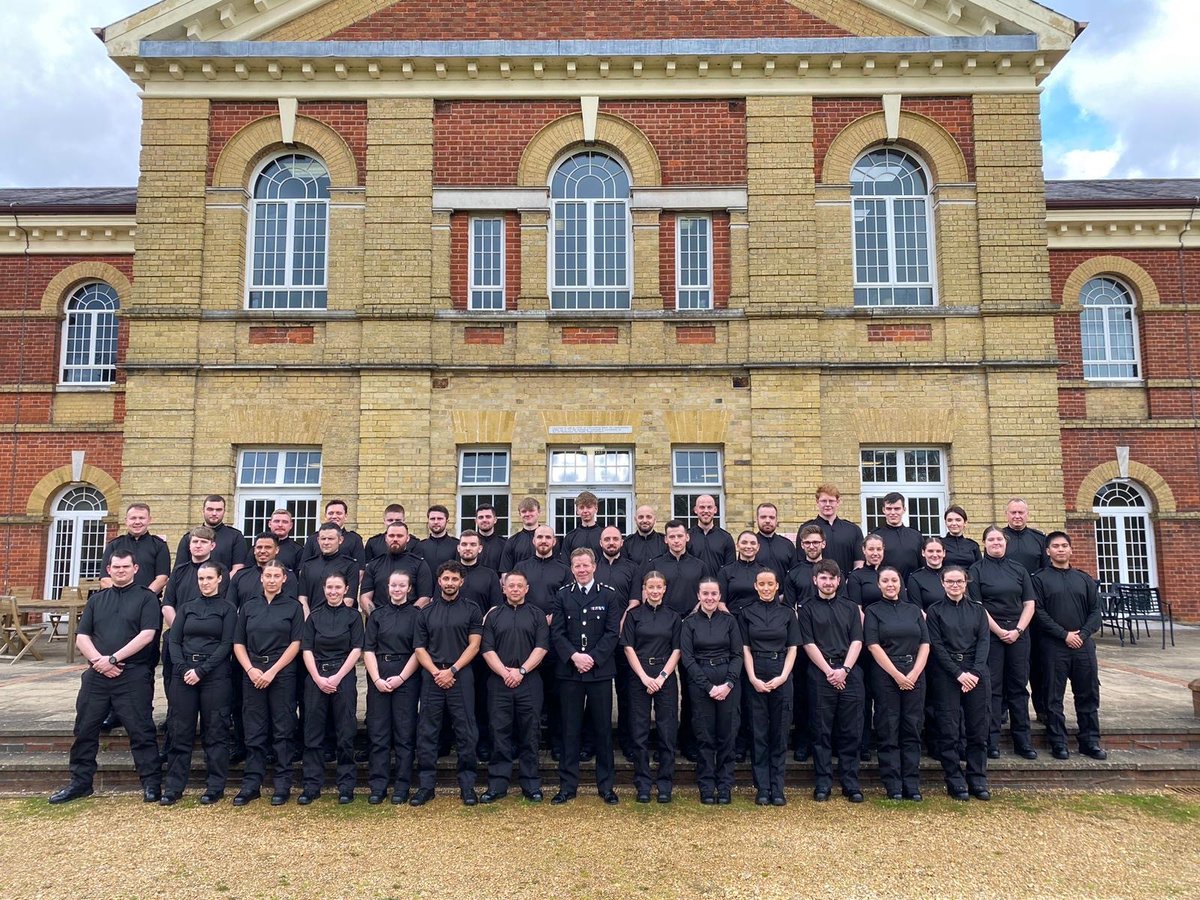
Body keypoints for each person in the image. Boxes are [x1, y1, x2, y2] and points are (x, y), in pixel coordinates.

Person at [48, 551, 162, 804]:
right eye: (116, 567)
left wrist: (113, 659)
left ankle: (152, 784)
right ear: (108, 570)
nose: (121, 571)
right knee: (84, 730)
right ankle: (80, 783)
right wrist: (100, 663)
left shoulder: (147, 598)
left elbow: (147, 635)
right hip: (97, 676)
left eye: (125, 566)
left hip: (133, 674)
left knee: (141, 731)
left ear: (135, 568)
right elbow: (82, 636)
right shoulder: (97, 600)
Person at [551, 548, 622, 805]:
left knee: (602, 730)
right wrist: (574, 657)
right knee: (570, 730)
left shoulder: (608, 595)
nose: (581, 570)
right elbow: (557, 633)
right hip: (570, 672)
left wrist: (592, 658)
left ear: (594, 566)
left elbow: (613, 632)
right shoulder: (562, 596)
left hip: (599, 671)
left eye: (585, 565)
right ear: (572, 569)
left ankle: (606, 787)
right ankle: (568, 786)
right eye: (577, 566)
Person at [162, 561, 236, 805]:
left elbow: (226, 645)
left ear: (219, 579)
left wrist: (201, 670)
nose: (205, 583)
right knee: (179, 730)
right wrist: (184, 668)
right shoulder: (186, 608)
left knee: (215, 731)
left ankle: (215, 786)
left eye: (209, 578)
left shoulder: (227, 609)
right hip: (184, 674)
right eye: (201, 579)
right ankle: (174, 787)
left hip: (214, 675)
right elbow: (174, 640)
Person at [411, 562, 483, 806]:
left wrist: (452, 670)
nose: (450, 583)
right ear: (439, 581)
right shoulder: (426, 612)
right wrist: (436, 672)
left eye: (454, 579)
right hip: (432, 677)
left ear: (461, 582)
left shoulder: (472, 610)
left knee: (466, 732)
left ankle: (467, 786)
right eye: (446, 579)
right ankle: (426, 786)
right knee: (427, 732)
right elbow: (419, 648)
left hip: (460, 676)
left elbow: (474, 644)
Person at [232, 559, 303, 806]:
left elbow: (296, 643)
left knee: (283, 730)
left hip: (281, 672)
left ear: (284, 579)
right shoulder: (249, 606)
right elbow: (238, 642)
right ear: (261, 578)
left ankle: (282, 785)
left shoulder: (293, 608)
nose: (271, 579)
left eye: (276, 576)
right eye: (268, 575)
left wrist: (272, 671)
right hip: (252, 671)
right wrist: (251, 669)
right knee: (254, 731)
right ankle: (252, 784)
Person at [1032, 532, 1107, 761]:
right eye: (1055, 546)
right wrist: (1064, 635)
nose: (1061, 550)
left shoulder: (1083, 579)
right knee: (1053, 697)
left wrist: (1082, 634)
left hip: (1083, 646)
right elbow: (1038, 612)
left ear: (1071, 549)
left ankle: (1090, 741)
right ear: (1048, 551)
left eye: (1064, 545)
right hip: (1054, 646)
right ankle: (1058, 742)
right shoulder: (1039, 579)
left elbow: (1096, 612)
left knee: (1088, 694)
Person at [479, 571, 550, 803]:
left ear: (527, 589)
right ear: (504, 589)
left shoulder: (537, 615)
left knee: (530, 732)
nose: (516, 589)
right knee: (499, 732)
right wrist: (505, 672)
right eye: (511, 586)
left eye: (520, 585)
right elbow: (487, 649)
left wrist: (520, 672)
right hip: (499, 681)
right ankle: (498, 784)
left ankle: (531, 784)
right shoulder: (493, 616)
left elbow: (541, 648)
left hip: (529, 681)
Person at [968, 526, 1038, 760]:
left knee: (1018, 687)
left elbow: (1029, 603)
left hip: (1019, 633)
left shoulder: (1019, 569)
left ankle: (1023, 741)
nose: (996, 543)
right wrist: (999, 631)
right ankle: (992, 741)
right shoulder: (976, 570)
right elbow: (978, 606)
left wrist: (1018, 630)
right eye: (991, 539)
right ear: (984, 543)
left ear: (1005, 543)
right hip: (992, 633)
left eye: (999, 539)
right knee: (993, 689)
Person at [638, 520, 706, 760]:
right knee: (659, 690)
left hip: (690, 629)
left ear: (687, 538)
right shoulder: (655, 565)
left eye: (680, 536)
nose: (676, 540)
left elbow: (705, 594)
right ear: (665, 539)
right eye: (671, 537)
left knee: (690, 689)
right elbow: (647, 594)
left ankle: (688, 743)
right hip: (661, 632)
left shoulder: (699, 565)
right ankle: (659, 744)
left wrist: (689, 618)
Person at [799, 560, 865, 803]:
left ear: (839, 581)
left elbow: (857, 640)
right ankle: (823, 782)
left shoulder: (850, 608)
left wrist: (844, 669)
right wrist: (829, 671)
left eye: (832, 578)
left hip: (849, 671)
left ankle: (851, 783)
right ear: (815, 580)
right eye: (823, 578)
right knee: (821, 731)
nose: (828, 582)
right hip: (820, 672)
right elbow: (808, 643)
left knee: (851, 731)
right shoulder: (805, 608)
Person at [926, 566, 992, 801]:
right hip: (947, 674)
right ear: (942, 584)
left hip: (976, 674)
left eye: (959, 581)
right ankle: (954, 779)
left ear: (966, 583)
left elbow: (984, 642)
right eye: (950, 581)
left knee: (977, 729)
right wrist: (958, 673)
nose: (955, 585)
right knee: (949, 729)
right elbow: (937, 646)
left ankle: (977, 778)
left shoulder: (978, 611)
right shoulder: (934, 612)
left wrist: (973, 672)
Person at [865, 566, 929, 801]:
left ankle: (911, 783)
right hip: (886, 674)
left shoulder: (913, 610)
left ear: (900, 584)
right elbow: (873, 645)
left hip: (914, 672)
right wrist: (897, 675)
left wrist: (913, 674)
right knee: (889, 727)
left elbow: (925, 644)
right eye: (885, 581)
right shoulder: (873, 611)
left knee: (911, 728)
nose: (890, 584)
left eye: (894, 580)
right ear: (879, 585)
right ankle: (892, 784)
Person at [299, 572, 364, 805]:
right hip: (316, 676)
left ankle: (346, 786)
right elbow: (306, 648)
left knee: (345, 733)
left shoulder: (353, 617)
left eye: (338, 587)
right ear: (323, 589)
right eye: (329, 587)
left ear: (346, 589)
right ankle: (311, 785)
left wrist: (336, 677)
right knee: (313, 734)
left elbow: (357, 649)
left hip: (343, 676)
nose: (333, 591)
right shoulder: (314, 617)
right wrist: (317, 677)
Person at [621, 570, 682, 803]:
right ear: (644, 589)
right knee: (639, 732)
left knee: (667, 732)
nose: (655, 591)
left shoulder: (674, 617)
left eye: (659, 587)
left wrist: (662, 676)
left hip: (665, 676)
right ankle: (643, 784)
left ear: (664, 589)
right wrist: (645, 677)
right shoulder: (634, 615)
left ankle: (665, 784)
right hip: (639, 675)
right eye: (650, 587)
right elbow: (628, 648)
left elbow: (677, 649)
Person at [740, 568, 800, 806]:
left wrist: (784, 676)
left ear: (777, 587)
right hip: (756, 671)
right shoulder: (746, 613)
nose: (766, 588)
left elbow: (793, 647)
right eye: (761, 584)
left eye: (770, 584)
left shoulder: (787, 614)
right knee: (758, 733)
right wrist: (753, 677)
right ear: (756, 586)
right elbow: (744, 648)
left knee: (779, 732)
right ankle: (762, 787)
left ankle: (777, 787)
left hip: (781, 672)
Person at [680, 578, 742, 804]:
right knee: (705, 737)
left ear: (719, 596)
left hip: (728, 680)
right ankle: (706, 786)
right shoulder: (689, 623)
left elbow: (738, 655)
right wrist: (708, 686)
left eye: (714, 594)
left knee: (727, 735)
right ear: (698, 596)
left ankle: (725, 786)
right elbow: (687, 658)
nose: (709, 598)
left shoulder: (729, 621)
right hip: (701, 681)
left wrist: (728, 684)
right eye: (705, 594)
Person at [363, 571, 422, 805]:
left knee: (404, 734)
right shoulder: (377, 615)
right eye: (393, 585)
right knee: (378, 734)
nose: (397, 589)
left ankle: (402, 785)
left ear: (409, 589)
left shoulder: (418, 615)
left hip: (406, 674)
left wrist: (401, 678)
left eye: (402, 585)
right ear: (387, 588)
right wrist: (376, 679)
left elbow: (419, 650)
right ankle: (378, 785)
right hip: (379, 672)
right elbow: (368, 649)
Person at [359, 521, 433, 614]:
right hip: (379, 624)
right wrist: (376, 618)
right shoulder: (374, 564)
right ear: (386, 538)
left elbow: (425, 598)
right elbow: (364, 598)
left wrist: (406, 618)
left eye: (399, 536)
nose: (395, 539)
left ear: (407, 538)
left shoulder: (419, 564)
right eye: (391, 536)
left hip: (410, 624)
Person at [100, 502, 170, 593]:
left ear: (149, 520)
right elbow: (105, 579)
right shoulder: (113, 545)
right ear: (126, 521)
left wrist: (144, 597)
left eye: (141, 518)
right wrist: (121, 596)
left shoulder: (159, 546)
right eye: (133, 518)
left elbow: (162, 578)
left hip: (148, 602)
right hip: (117, 601)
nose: (137, 522)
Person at [799, 484, 864, 577]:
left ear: (838, 502)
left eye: (831, 501)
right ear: (817, 502)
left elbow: (859, 562)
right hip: (815, 586)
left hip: (846, 585)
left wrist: (851, 581)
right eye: (824, 501)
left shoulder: (853, 529)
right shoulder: (805, 529)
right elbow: (801, 561)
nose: (828, 504)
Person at [175, 495, 249, 576]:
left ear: (224, 511)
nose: (214, 513)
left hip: (225, 586)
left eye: (218, 510)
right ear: (203, 510)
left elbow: (238, 569)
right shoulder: (188, 538)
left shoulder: (236, 537)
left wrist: (219, 584)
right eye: (210, 509)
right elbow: (180, 570)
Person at [297, 523, 361, 613]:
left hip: (340, 620)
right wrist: (309, 620)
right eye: (323, 539)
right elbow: (302, 598)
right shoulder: (308, 565)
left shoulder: (351, 565)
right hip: (312, 620)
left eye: (330, 539)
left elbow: (349, 599)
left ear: (340, 540)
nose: (326, 542)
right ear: (318, 540)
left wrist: (330, 620)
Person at [300, 499, 366, 571]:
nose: (334, 516)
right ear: (325, 516)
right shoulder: (313, 539)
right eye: (330, 513)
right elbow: (303, 569)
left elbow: (360, 570)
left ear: (346, 516)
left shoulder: (355, 539)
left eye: (339, 513)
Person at [876, 492, 923, 580]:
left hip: (912, 586)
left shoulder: (916, 536)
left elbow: (923, 565)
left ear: (904, 509)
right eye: (889, 509)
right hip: (885, 586)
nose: (893, 512)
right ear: (883, 510)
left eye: (897, 509)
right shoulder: (876, 536)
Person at [717, 530, 765, 615]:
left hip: (758, 623)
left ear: (758, 547)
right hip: (733, 620)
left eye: (753, 543)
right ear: (737, 546)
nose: (749, 546)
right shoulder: (726, 571)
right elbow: (720, 603)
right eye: (744, 542)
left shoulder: (764, 572)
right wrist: (732, 622)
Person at [687, 494, 734, 576]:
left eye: (709, 507)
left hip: (718, 586)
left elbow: (731, 568)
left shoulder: (726, 538)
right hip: (693, 586)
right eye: (702, 507)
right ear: (695, 510)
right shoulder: (687, 537)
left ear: (715, 510)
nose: (706, 511)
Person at [754, 502, 795, 581]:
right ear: (757, 519)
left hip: (783, 593)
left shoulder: (787, 545)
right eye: (763, 517)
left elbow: (795, 575)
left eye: (771, 517)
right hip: (755, 593)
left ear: (777, 520)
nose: (767, 520)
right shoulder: (750, 545)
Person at [499, 497, 542, 573]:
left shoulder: (548, 540)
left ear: (539, 512)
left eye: (531, 510)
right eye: (524, 511)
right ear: (520, 514)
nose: (527, 514)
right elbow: (505, 573)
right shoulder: (512, 542)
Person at [559, 490, 604, 562]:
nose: (585, 511)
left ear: (596, 509)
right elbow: (565, 564)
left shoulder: (604, 535)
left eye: (589, 507)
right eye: (582, 507)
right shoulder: (570, 537)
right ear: (577, 511)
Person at [907, 536, 948, 611]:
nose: (935, 555)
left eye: (938, 551)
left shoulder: (953, 575)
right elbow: (917, 609)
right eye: (930, 551)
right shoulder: (915, 578)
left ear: (944, 553)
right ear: (923, 553)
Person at [417, 505, 458, 572]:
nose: (436, 522)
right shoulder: (420, 546)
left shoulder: (456, 545)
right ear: (428, 521)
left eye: (439, 519)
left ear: (447, 521)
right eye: (432, 519)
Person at [473, 503, 508, 571]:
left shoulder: (504, 544)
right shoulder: (470, 544)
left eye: (488, 516)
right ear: (476, 521)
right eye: (481, 517)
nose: (484, 520)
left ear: (495, 520)